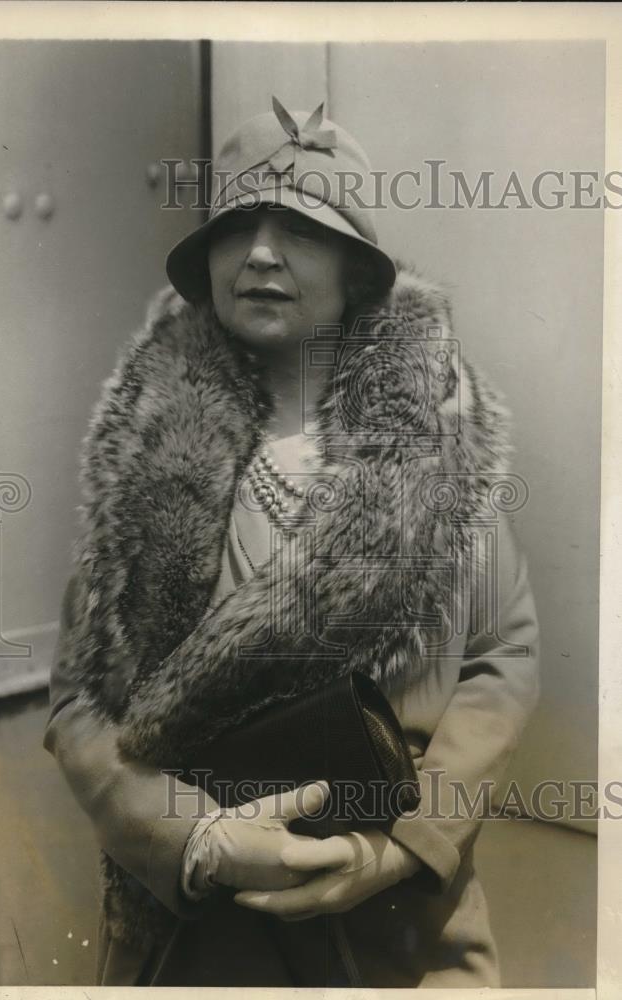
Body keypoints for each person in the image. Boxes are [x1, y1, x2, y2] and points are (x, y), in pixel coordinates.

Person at [44, 98, 540, 988]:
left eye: (301, 230)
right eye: (238, 226)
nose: (262, 253)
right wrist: (197, 841)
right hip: (194, 924)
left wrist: (395, 851)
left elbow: (502, 659)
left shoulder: (435, 442)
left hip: (395, 927)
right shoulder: (149, 450)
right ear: (208, 263)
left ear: (356, 270)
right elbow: (80, 704)